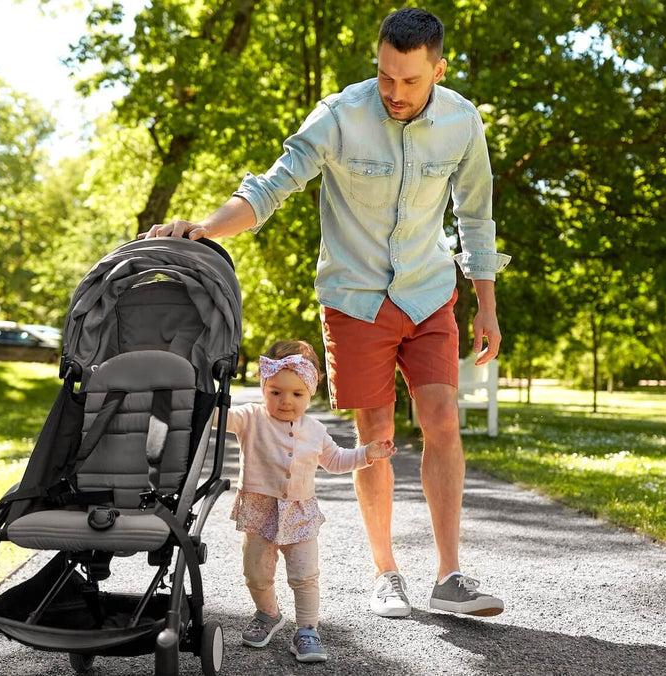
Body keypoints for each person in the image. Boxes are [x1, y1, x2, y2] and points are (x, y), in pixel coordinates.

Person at [144, 7, 510, 618]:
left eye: (411, 81)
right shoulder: (340, 115)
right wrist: (206, 229)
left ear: (438, 70)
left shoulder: (462, 122)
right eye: (386, 76)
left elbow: (476, 218)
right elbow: (272, 186)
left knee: (442, 419)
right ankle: (386, 573)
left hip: (427, 291)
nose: (395, 92)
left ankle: (450, 575)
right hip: (355, 299)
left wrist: (487, 305)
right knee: (378, 438)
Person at [224, 340, 396, 662]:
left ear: (310, 393)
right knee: (256, 573)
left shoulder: (315, 430)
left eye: (296, 394)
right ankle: (268, 614)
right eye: (275, 392)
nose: (285, 402)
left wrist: (366, 454)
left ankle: (307, 629)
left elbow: (336, 460)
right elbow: (220, 419)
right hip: (259, 512)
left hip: (300, 514)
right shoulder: (250, 419)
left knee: (305, 576)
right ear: (264, 387)